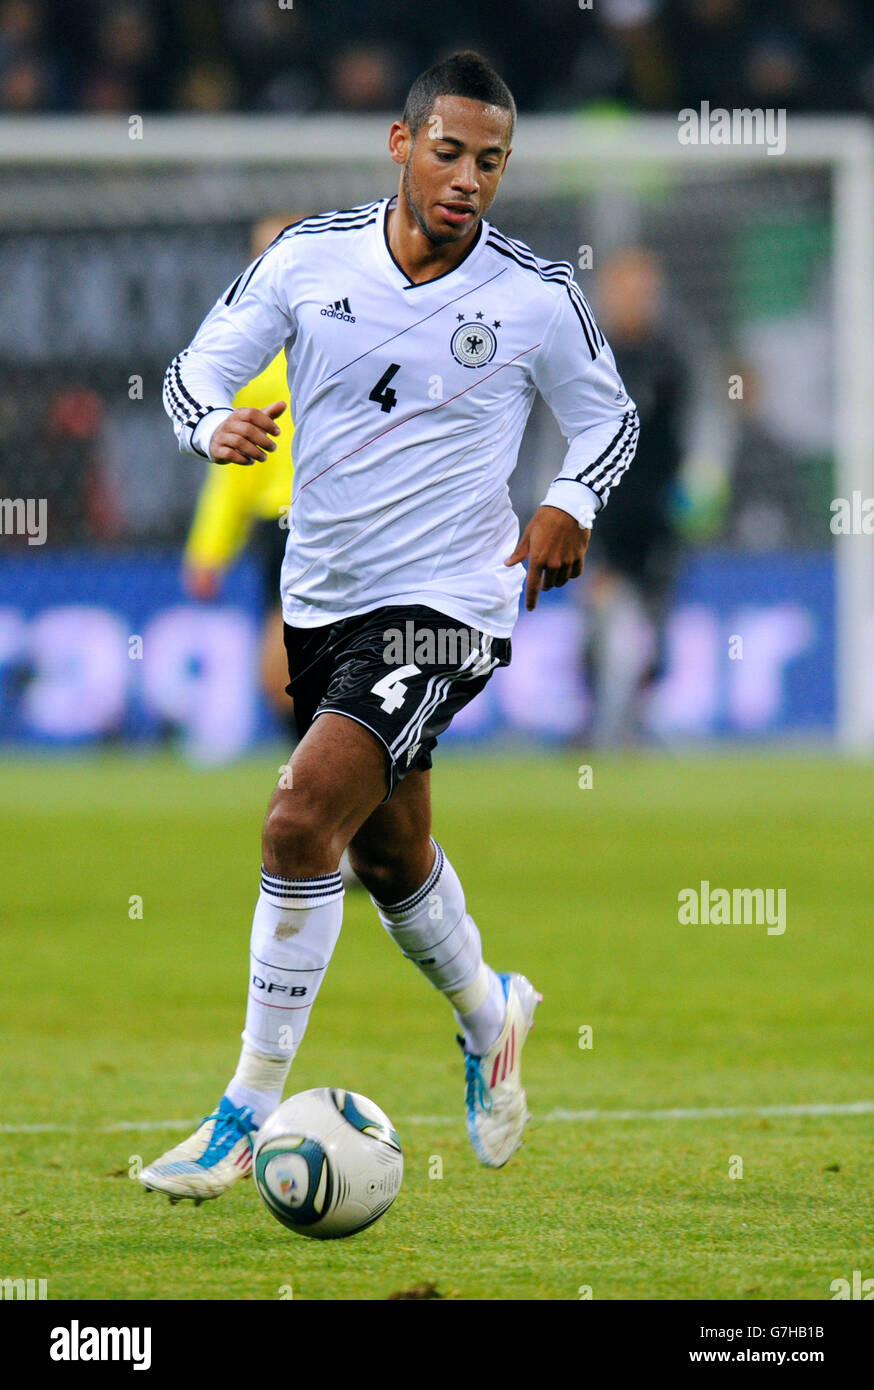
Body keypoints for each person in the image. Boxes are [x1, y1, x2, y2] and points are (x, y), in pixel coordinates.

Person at [143, 50, 638, 1202]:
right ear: (402, 145)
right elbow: (188, 377)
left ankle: (241, 1110)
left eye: (493, 161)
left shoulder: (534, 296)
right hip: (321, 599)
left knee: (296, 820)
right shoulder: (308, 258)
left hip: (450, 607)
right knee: (385, 849)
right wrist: (212, 428)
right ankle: (489, 1012)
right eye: (453, 151)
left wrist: (567, 502)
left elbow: (604, 421)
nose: (470, 178)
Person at [182, 215, 297, 733]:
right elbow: (233, 469)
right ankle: (324, 771)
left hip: (356, 513)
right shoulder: (247, 353)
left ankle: (330, 772)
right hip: (284, 522)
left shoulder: (358, 331)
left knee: (301, 662)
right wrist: (209, 549)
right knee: (284, 671)